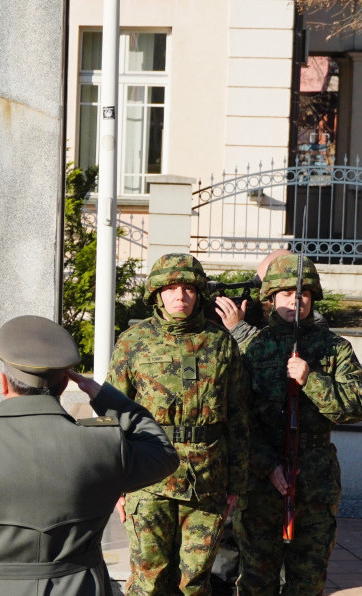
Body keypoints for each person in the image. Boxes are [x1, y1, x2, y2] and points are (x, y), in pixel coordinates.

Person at [0, 315, 178, 596]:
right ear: (65, 384)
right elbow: (163, 453)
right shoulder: (103, 443)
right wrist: (104, 397)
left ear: (4, 383)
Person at [107, 253, 250, 595]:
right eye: (171, 288)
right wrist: (114, 484)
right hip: (148, 477)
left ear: (199, 293)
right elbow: (112, 417)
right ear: (157, 293)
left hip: (207, 480)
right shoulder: (133, 342)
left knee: (195, 583)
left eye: (188, 288)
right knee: (149, 580)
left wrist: (236, 484)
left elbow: (239, 416)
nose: (180, 296)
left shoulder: (221, 343)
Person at [235, 254, 362, 595]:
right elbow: (238, 418)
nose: (296, 300)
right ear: (271, 298)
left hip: (315, 481)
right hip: (261, 483)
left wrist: (311, 379)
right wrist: (268, 465)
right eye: (287, 293)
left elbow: (355, 407)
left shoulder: (335, 348)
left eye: (303, 293)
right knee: (256, 581)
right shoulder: (253, 349)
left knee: (308, 580)